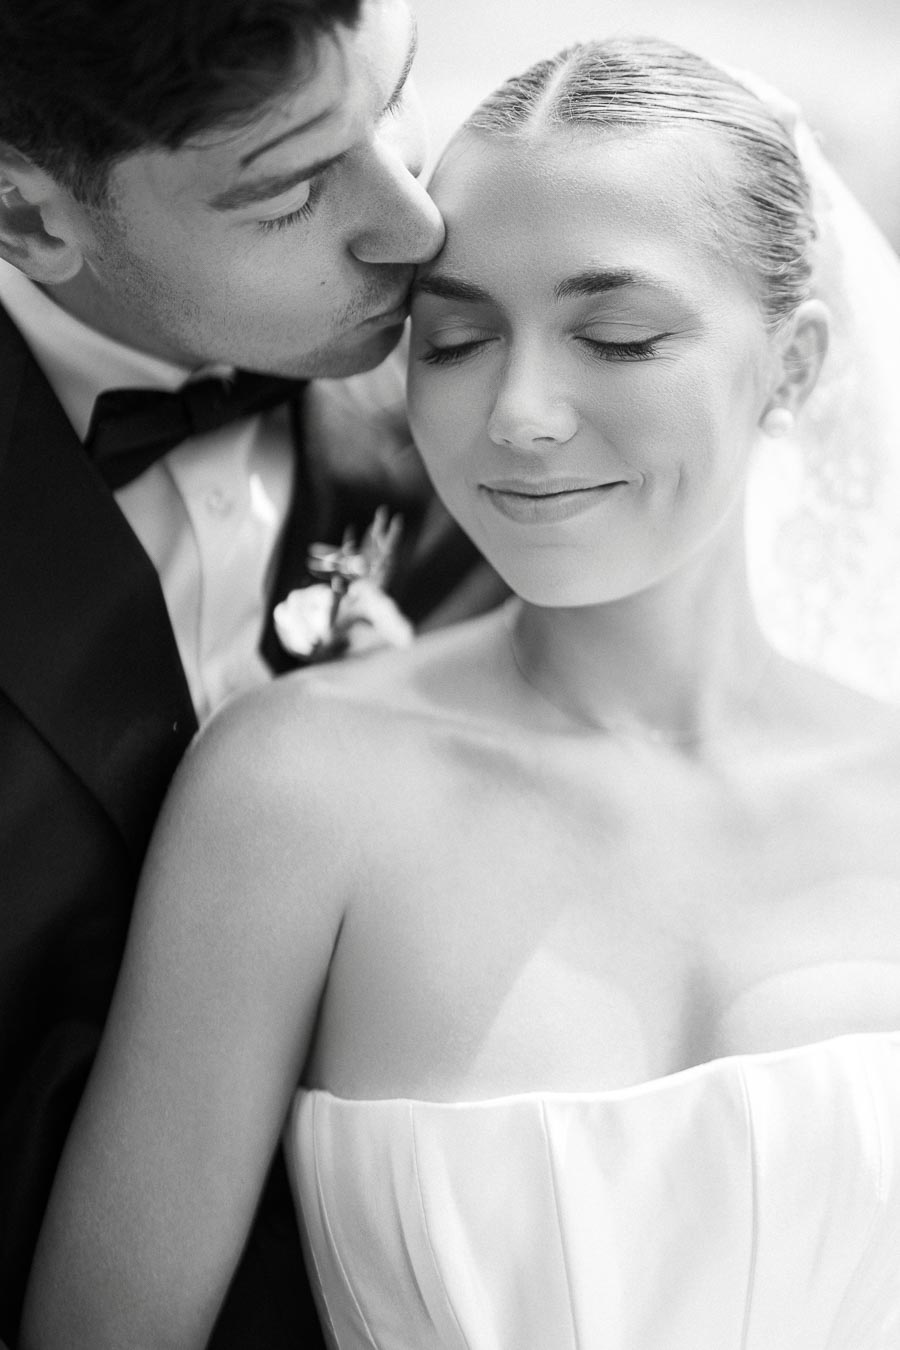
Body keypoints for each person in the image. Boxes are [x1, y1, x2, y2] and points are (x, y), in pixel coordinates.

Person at [22, 36, 900, 1350]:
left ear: (793, 363)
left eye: (617, 334)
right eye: (456, 340)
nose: (522, 412)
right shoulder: (292, 789)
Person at [0, 1, 504, 1346]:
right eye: (289, 187)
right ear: (31, 218)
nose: (416, 222)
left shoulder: (529, 421)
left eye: (397, 99)